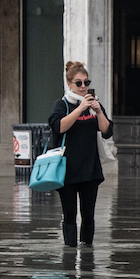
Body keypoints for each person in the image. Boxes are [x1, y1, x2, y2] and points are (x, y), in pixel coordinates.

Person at [48, 61, 113, 249]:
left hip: (90, 169)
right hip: (67, 170)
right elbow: (58, 126)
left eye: (86, 82)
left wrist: (98, 111)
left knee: (88, 214)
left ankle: (86, 252)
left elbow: (106, 131)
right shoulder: (62, 105)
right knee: (69, 214)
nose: (83, 87)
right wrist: (79, 109)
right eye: (79, 83)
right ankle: (69, 254)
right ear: (69, 84)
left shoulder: (94, 105)